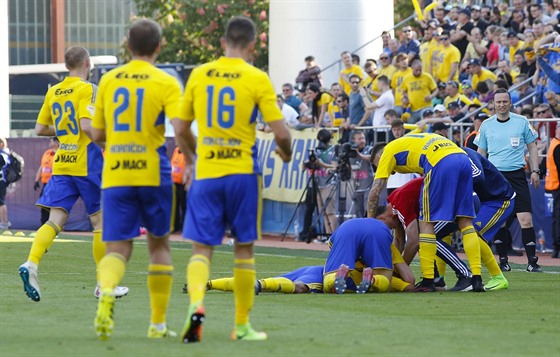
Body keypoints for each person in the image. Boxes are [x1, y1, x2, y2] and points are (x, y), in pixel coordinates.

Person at [174, 16, 292, 343]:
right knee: (243, 251)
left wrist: (195, 159)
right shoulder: (257, 77)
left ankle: (196, 306)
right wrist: (287, 153)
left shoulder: (199, 74)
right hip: (242, 174)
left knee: (201, 250)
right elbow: (281, 132)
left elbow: (181, 129)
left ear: (223, 42)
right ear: (253, 47)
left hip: (208, 174)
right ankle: (241, 326)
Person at [91, 19, 180, 340]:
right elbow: (180, 127)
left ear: (128, 46)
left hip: (116, 172)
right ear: (159, 46)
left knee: (117, 247)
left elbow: (98, 133)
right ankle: (157, 324)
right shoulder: (166, 81)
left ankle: (107, 294)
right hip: (153, 171)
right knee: (159, 245)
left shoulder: (110, 80)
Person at [18, 47, 128, 303]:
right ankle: (103, 285)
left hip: (63, 162)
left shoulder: (53, 91)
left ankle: (31, 263)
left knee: (54, 221)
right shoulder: (88, 88)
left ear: (66, 64)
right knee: (100, 223)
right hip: (87, 162)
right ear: (87, 62)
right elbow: (87, 126)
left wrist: (66, 131)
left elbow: (40, 129)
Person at [367, 134, 483, 292]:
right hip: (462, 158)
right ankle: (476, 279)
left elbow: (374, 192)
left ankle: (429, 280)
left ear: (380, 156)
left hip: (438, 161)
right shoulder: (410, 141)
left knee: (426, 224)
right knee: (466, 223)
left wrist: (369, 223)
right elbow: (399, 239)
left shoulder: (387, 152)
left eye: (377, 165)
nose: (391, 173)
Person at [474, 88, 543, 273]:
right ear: (493, 104)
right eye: (498, 102)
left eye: (505, 101)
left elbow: (532, 147)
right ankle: (503, 261)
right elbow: (481, 154)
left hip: (518, 176)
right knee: (501, 221)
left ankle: (532, 262)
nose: (502, 105)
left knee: (525, 219)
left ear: (510, 103)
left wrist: (535, 170)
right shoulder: (486, 125)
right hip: (496, 177)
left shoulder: (521, 122)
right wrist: (478, 178)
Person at [322, 218, 395, 294]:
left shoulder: (343, 228)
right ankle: (373, 280)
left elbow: (331, 245)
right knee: (385, 278)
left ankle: (336, 277)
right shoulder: (384, 231)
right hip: (379, 232)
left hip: (346, 230)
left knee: (327, 281)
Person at [34, 137, 59, 225]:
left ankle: (54, 224)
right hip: (46, 184)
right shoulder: (47, 153)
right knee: (44, 204)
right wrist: (37, 180)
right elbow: (42, 167)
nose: (49, 143)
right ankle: (43, 224)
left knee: (54, 205)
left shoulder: (61, 154)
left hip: (56, 184)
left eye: (51, 141)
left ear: (57, 143)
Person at [545, 123, 560, 258]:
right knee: (558, 217)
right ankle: (557, 247)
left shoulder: (554, 143)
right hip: (558, 185)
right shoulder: (557, 146)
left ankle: (556, 248)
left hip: (554, 185)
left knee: (557, 217)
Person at [171, 146, 188, 233]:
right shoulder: (176, 150)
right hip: (174, 183)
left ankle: (184, 228)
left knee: (184, 206)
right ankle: (175, 226)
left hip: (183, 184)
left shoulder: (187, 151)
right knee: (174, 206)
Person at [0, 138, 11, 229]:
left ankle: (4, 223)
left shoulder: (3, 154)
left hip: (1, 182)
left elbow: (4, 164)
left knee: (1, 202)